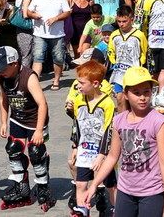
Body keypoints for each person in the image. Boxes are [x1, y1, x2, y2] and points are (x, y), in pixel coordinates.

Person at [82, 66, 164, 217]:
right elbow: (113, 156)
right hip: (125, 191)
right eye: (136, 93)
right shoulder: (119, 121)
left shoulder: (159, 122)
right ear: (126, 94)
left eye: (146, 91)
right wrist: (94, 184)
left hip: (151, 192)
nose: (142, 97)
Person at [0, 46, 55, 211]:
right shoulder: (2, 77)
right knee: (13, 150)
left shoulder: (29, 77)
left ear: (15, 64)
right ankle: (22, 187)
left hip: (35, 120)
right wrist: (3, 122)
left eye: (3, 68)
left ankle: (43, 187)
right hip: (17, 119)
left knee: (36, 152)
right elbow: (3, 99)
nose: (1, 71)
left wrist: (39, 130)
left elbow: (42, 104)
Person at [69, 60, 116, 216]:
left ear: (95, 83)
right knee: (81, 184)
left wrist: (102, 155)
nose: (78, 86)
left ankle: (116, 208)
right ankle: (83, 210)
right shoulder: (78, 100)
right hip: (84, 149)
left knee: (110, 184)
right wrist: (75, 147)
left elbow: (109, 130)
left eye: (82, 83)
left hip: (102, 151)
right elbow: (76, 124)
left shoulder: (107, 103)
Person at [27, 0, 72, 90]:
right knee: (37, 57)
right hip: (39, 33)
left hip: (57, 33)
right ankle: (35, 83)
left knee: (58, 57)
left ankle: (56, 80)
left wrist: (55, 18)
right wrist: (34, 15)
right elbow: (28, 11)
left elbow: (67, 12)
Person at [108, 5, 148, 112]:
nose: (121, 24)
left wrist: (142, 67)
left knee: (133, 100)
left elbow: (144, 53)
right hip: (119, 73)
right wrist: (114, 62)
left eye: (124, 21)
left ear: (131, 19)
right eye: (119, 21)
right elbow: (111, 51)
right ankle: (122, 123)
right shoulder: (114, 35)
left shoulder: (139, 35)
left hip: (134, 73)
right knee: (120, 99)